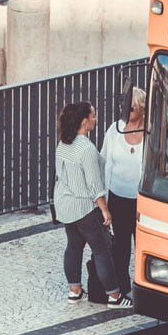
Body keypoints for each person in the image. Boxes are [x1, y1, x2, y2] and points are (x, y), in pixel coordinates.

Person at [53, 102, 132, 309]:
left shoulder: (63, 144)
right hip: (85, 208)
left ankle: (75, 291)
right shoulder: (86, 149)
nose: (95, 119)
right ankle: (115, 297)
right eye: (93, 116)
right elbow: (95, 185)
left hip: (66, 206)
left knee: (73, 246)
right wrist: (105, 210)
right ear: (84, 121)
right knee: (102, 250)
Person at [98, 87, 146, 301]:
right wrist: (103, 200)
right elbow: (103, 160)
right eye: (122, 106)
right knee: (121, 246)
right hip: (117, 197)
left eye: (131, 108)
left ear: (142, 109)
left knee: (143, 245)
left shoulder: (151, 133)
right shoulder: (114, 129)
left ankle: (145, 285)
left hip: (142, 202)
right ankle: (122, 286)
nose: (125, 111)